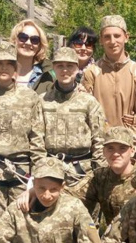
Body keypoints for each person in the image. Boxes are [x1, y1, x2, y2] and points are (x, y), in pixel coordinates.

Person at [0, 40, 46, 230]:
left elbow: (37, 140)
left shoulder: (29, 98)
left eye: (9, 63)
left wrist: (36, 178)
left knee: (24, 228)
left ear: (15, 67)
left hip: (22, 173)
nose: (4, 67)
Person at [81, 15, 136, 151]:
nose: (112, 41)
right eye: (107, 37)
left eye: (117, 36)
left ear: (126, 37)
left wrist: (129, 151)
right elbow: (84, 116)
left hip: (128, 151)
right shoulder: (91, 73)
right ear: (101, 40)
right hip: (98, 151)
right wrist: (99, 149)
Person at [39, 47, 105, 187]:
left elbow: (99, 140)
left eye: (69, 66)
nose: (65, 70)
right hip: (50, 170)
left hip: (82, 172)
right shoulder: (42, 101)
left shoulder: (89, 101)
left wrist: (100, 175)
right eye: (60, 66)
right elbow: (36, 139)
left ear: (76, 68)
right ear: (53, 68)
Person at [34, 26, 98, 94]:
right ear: (70, 45)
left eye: (89, 44)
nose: (83, 48)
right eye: (78, 43)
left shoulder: (99, 71)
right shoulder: (53, 72)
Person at [9, 19, 52, 89]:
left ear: (40, 46)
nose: (28, 43)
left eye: (34, 40)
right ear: (15, 40)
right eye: (23, 37)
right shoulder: (0, 73)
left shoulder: (48, 77)